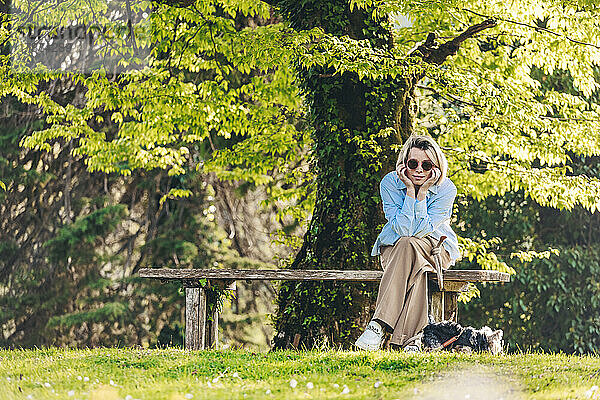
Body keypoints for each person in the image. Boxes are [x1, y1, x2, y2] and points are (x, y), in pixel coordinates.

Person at [354, 135, 460, 352]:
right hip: (395, 250)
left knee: (409, 244)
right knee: (413, 261)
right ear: (404, 164)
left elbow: (420, 231)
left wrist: (420, 194)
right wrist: (410, 191)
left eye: (426, 164)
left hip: (436, 249)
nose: (419, 170)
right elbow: (403, 231)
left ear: (436, 166)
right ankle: (413, 342)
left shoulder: (446, 189)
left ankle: (379, 325)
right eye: (413, 164)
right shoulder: (390, 183)